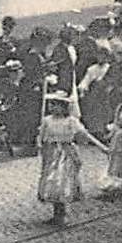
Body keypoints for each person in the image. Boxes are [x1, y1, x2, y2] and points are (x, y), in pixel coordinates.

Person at [38, 93, 108, 225]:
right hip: (52, 154)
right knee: (51, 182)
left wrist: (102, 147)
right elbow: (42, 136)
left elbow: (85, 134)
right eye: (51, 104)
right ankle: (56, 212)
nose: (52, 107)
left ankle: (62, 213)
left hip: (66, 154)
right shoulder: (47, 120)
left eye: (56, 105)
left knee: (62, 182)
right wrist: (41, 145)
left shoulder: (71, 121)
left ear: (64, 107)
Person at [0, 16, 20, 100]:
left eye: (10, 27)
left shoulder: (15, 42)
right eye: (5, 27)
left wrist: (13, 50)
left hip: (9, 73)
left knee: (8, 94)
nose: (7, 30)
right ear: (3, 27)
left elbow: (18, 57)